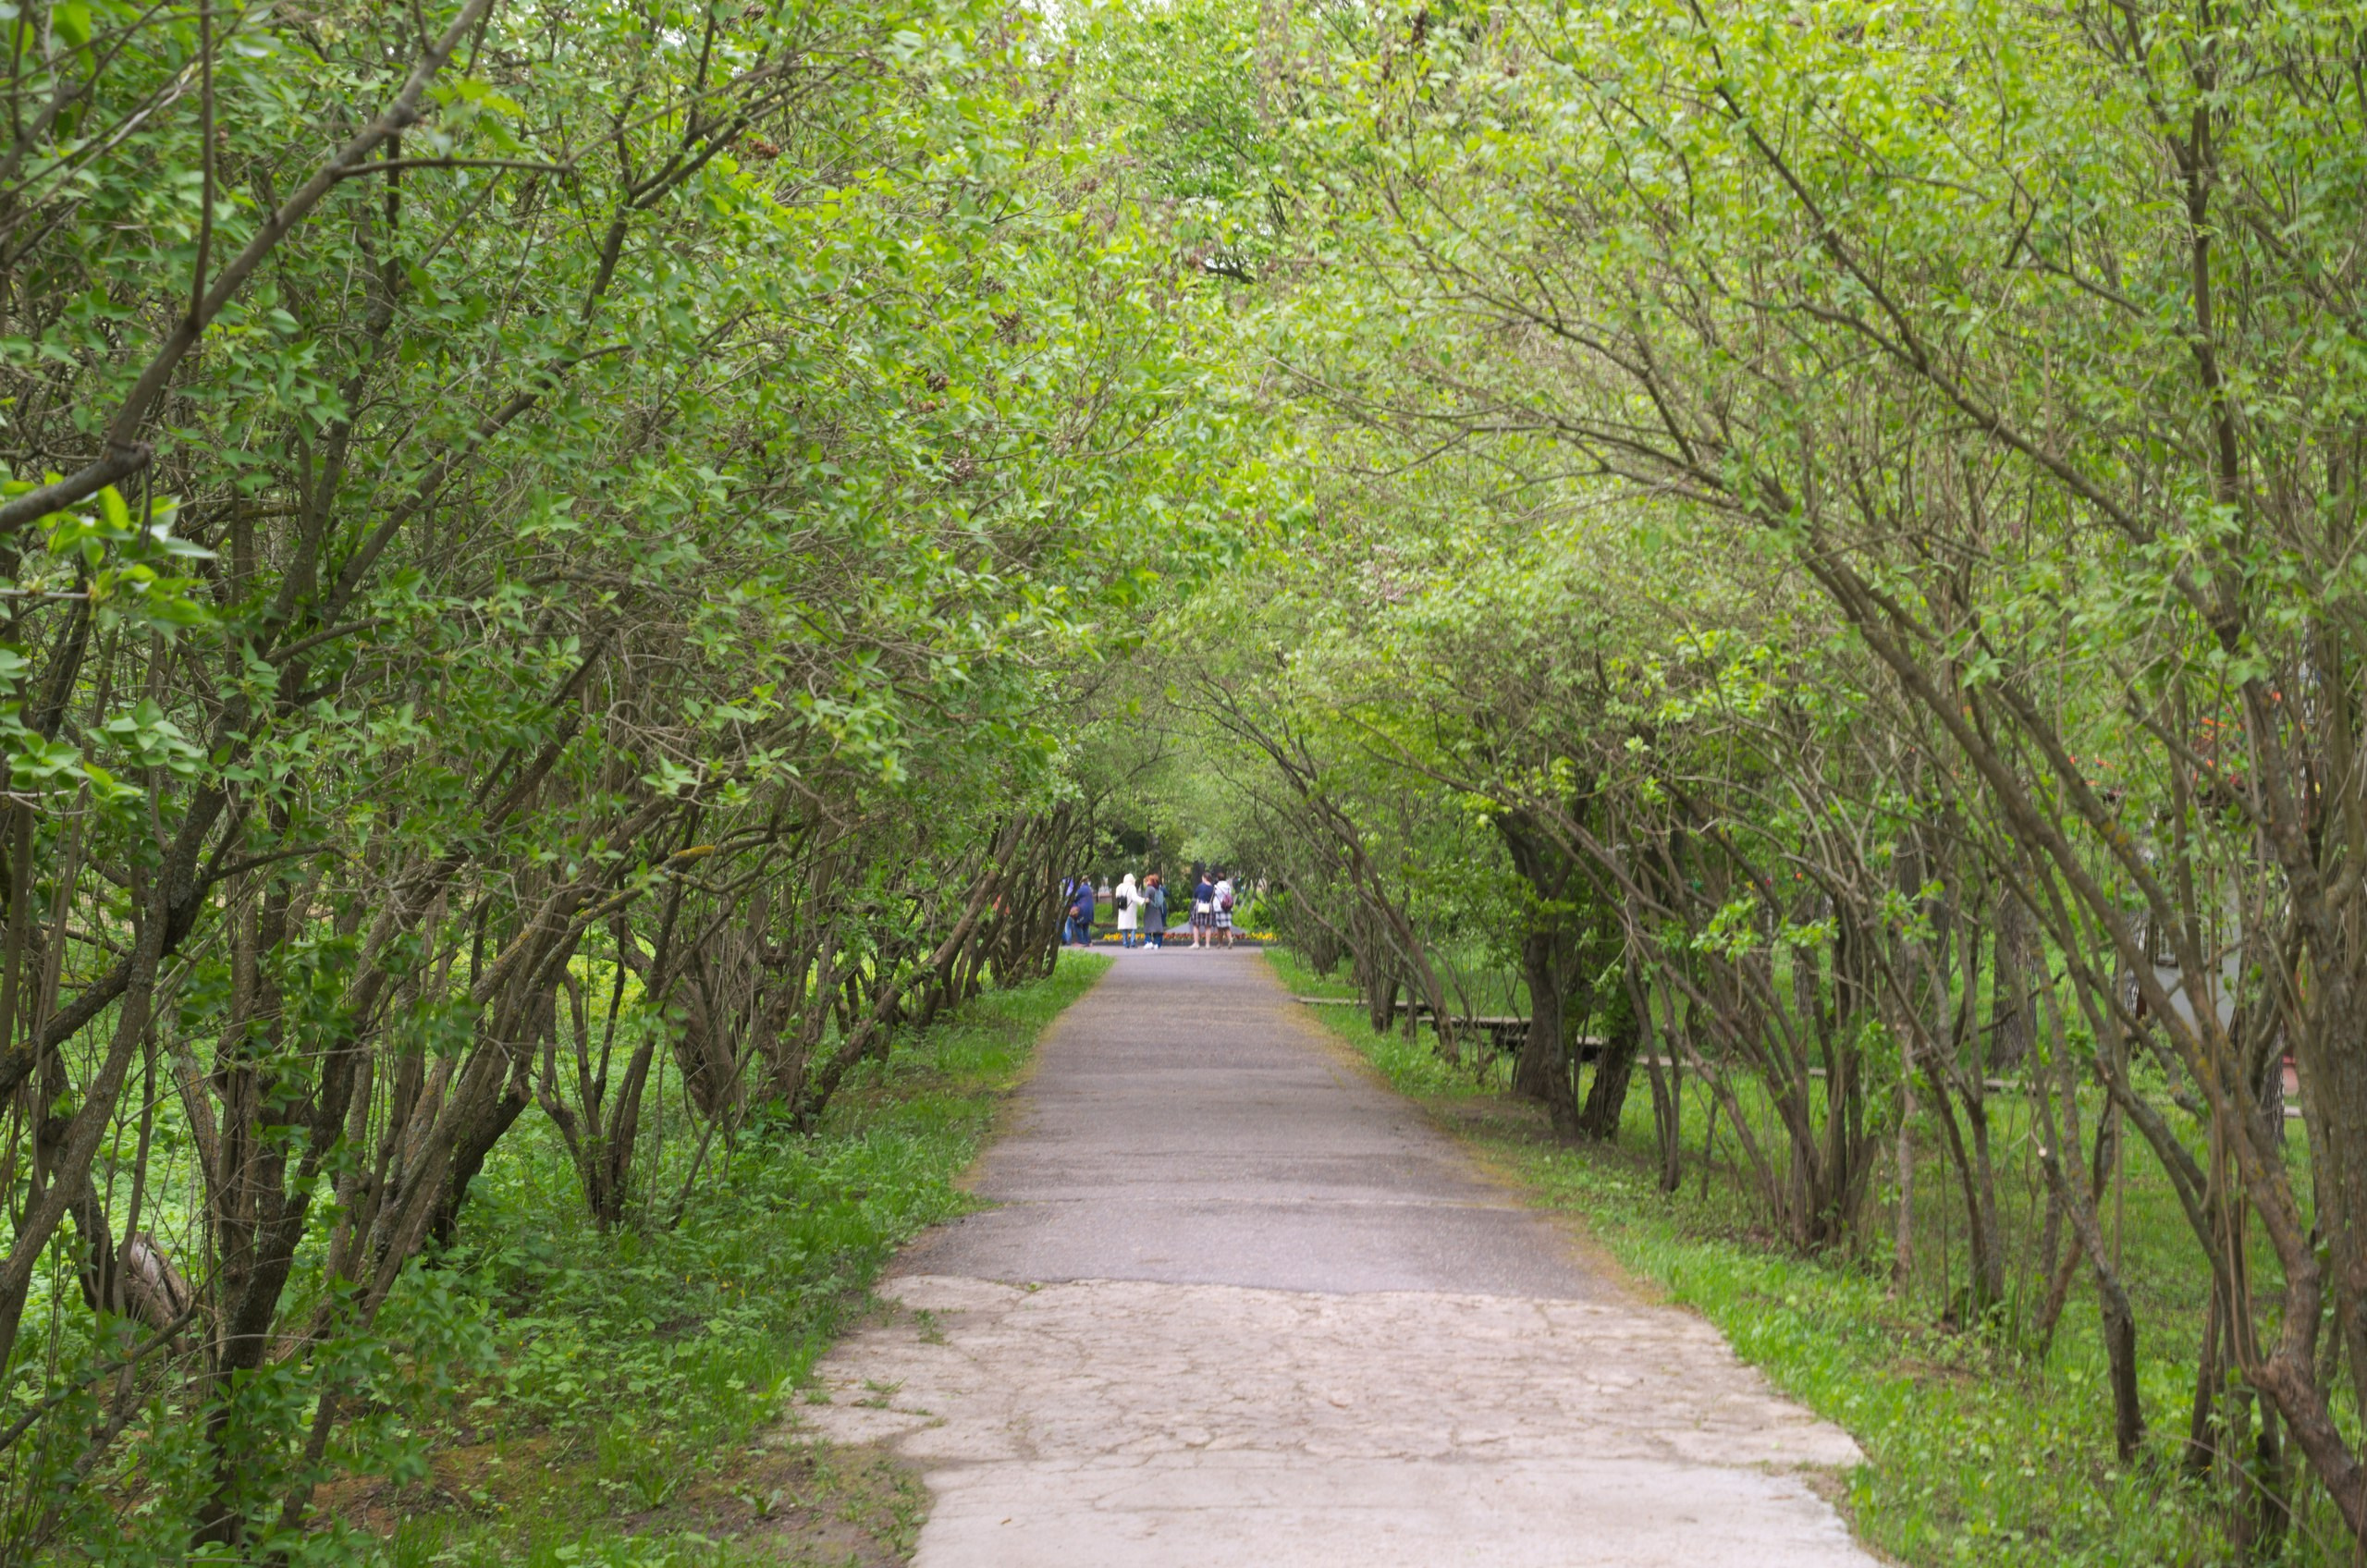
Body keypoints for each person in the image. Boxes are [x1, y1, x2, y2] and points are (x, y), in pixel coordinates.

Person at [1113, 872, 1141, 949]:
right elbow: (1134, 897)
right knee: (1133, 926)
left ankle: (1125, 942)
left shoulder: (1120, 887)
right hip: (1131, 909)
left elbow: (1117, 896)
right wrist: (1143, 900)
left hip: (1122, 908)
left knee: (1124, 926)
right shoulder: (1132, 887)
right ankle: (1132, 942)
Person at [1068, 876, 1097, 947]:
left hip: (1083, 910)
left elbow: (1073, 897)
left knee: (1076, 924)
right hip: (1089, 910)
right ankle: (1088, 942)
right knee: (1085, 926)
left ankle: (1081, 942)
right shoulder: (1088, 889)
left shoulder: (1082, 889)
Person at [1191, 870, 1216, 949]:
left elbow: (1195, 895)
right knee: (1208, 927)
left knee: (1196, 925)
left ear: (1204, 878)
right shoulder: (1212, 888)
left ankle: (1196, 943)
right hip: (1209, 906)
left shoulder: (1201, 886)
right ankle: (1207, 944)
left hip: (1200, 905)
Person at [1142, 873, 1167, 949]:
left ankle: (1148, 942)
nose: (1146, 883)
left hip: (1150, 910)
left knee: (1148, 926)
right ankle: (1157, 944)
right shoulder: (1157, 889)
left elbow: (1146, 900)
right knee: (1157, 927)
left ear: (1150, 881)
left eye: (1146, 881)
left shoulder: (1149, 889)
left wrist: (1141, 901)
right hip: (1158, 910)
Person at [1213, 871, 1236, 949]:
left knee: (1219, 927)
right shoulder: (1228, 886)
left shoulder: (1216, 887)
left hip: (1219, 908)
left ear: (1218, 878)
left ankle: (1220, 943)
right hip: (1228, 908)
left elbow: (1214, 895)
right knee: (1227, 926)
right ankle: (1230, 939)